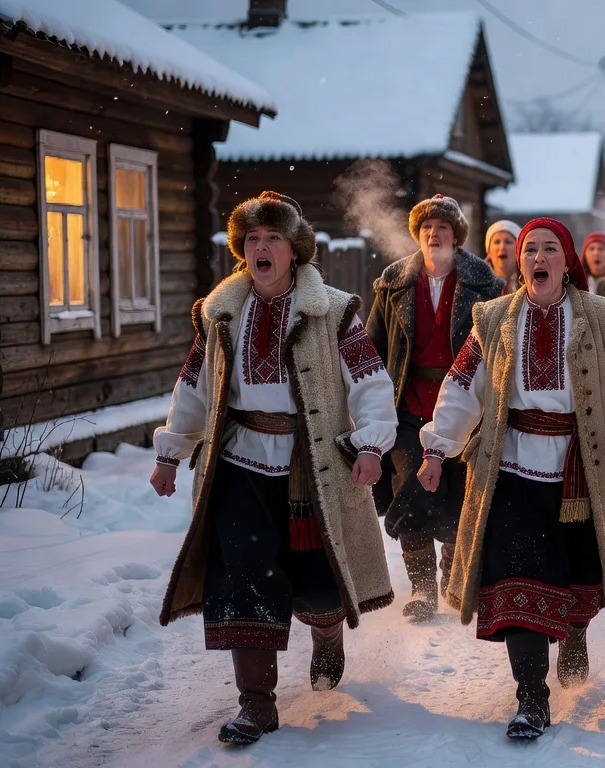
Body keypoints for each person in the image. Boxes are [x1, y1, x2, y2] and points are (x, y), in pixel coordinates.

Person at [150, 192, 397, 745]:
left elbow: (372, 385)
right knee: (243, 575)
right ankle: (256, 705)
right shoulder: (220, 313)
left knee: (318, 581)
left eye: (273, 239)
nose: (262, 248)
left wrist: (371, 445)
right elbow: (194, 385)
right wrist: (170, 452)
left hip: (309, 467)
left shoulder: (334, 312)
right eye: (253, 240)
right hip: (238, 463)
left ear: (294, 250)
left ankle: (327, 636)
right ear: (242, 251)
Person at [417, 217, 605, 739]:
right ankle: (532, 695)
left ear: (566, 261)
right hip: (509, 470)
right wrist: (438, 447)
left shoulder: (601, 318)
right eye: (530, 249)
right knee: (516, 579)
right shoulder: (493, 319)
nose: (537, 257)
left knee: (577, 573)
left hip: (581, 471)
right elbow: (462, 385)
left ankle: (574, 631)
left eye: (549, 249)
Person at [366, 195, 505, 622]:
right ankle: (422, 589)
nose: (433, 233)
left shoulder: (486, 286)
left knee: (461, 498)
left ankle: (451, 575)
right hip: (408, 408)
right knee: (414, 491)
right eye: (426, 227)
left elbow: (500, 351)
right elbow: (372, 348)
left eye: (442, 227)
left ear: (456, 235)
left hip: (467, 412)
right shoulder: (393, 284)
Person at [485, 219, 521, 294]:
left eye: (508, 242)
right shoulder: (475, 283)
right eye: (497, 242)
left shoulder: (530, 284)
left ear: (519, 250)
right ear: (488, 250)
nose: (502, 247)